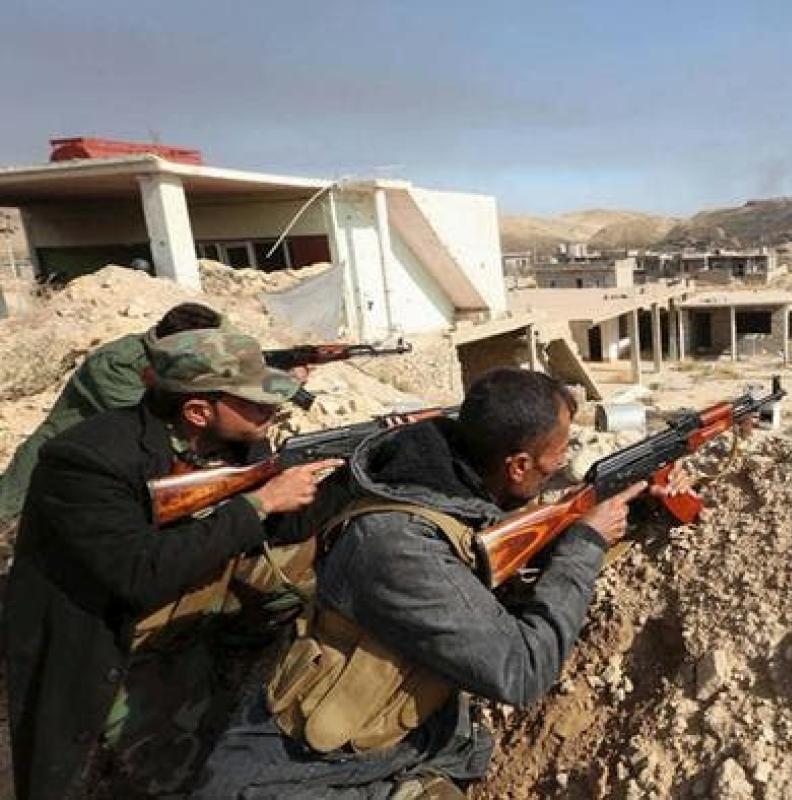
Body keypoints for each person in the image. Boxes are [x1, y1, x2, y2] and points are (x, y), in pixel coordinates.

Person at [194, 368, 690, 798]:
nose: (560, 468)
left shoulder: (441, 482)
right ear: (517, 466)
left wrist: (635, 508)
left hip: (379, 747)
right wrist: (584, 543)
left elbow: (505, 557)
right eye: (555, 459)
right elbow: (520, 671)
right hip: (299, 778)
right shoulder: (397, 544)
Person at [3, 326, 342, 800]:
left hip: (181, 643)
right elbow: (137, 574)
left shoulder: (240, 441)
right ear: (198, 411)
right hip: (94, 645)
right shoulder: (86, 459)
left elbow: (281, 530)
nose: (272, 408)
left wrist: (342, 477)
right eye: (255, 401)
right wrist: (259, 504)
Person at [0, 302, 224, 527]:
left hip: (107, 468)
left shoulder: (179, 361)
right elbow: (155, 422)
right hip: (52, 465)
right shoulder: (119, 363)